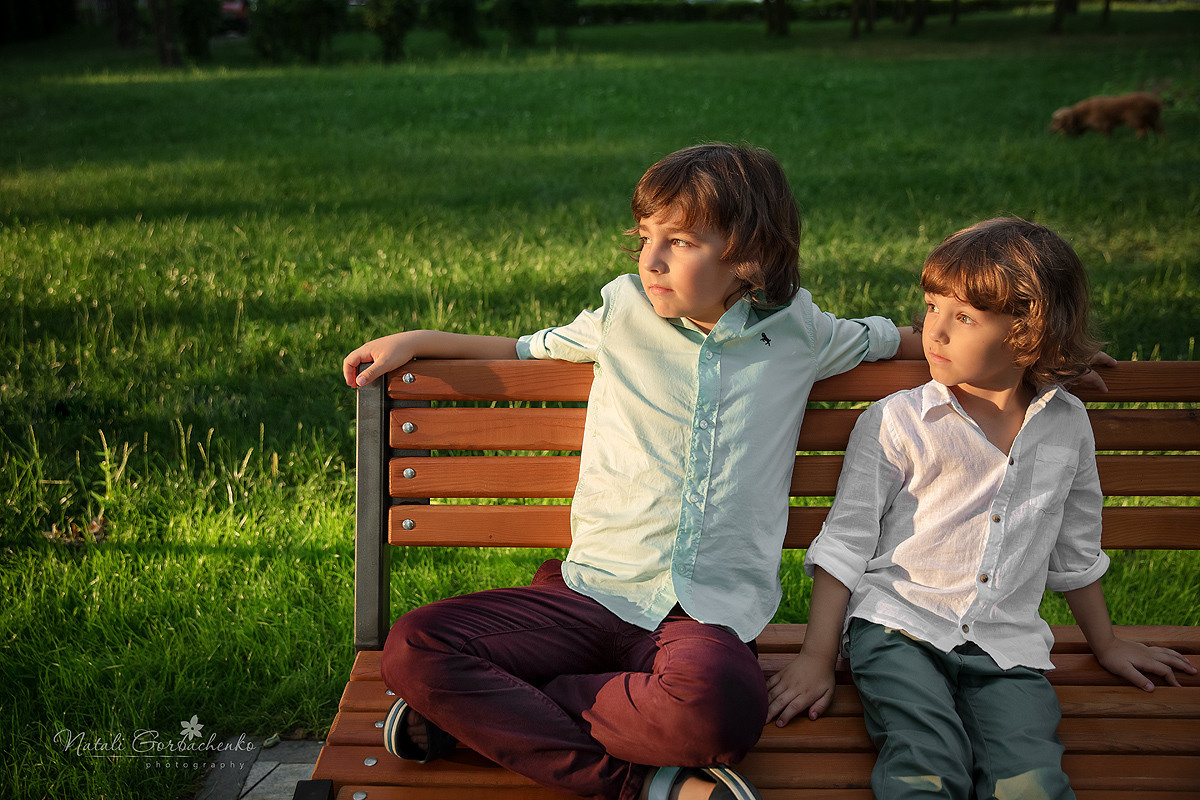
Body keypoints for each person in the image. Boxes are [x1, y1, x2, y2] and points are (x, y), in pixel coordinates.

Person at [342, 143, 923, 800]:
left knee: (720, 717)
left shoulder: (802, 331)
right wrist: (418, 341)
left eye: (679, 242)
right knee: (414, 646)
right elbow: (523, 349)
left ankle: (493, 715)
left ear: (751, 256)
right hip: (588, 594)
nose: (651, 261)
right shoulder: (622, 312)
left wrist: (1015, 351)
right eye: (646, 238)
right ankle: (649, 788)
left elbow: (905, 340)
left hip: (700, 617)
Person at [764, 217, 1196, 800]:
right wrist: (817, 658)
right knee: (926, 763)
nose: (933, 330)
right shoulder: (898, 421)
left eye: (963, 317)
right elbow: (846, 543)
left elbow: (1075, 551)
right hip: (900, 628)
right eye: (933, 305)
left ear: (1028, 335)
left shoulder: (1067, 426)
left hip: (1007, 645)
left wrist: (1108, 643)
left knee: (1033, 780)